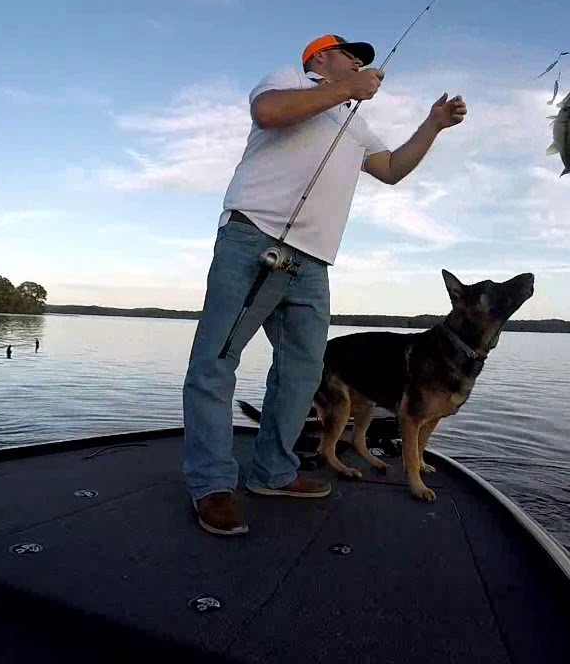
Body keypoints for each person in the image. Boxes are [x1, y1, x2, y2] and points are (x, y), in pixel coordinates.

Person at [181, 33, 468, 536]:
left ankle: (273, 471)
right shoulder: (289, 81)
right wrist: (349, 89)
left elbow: (392, 169)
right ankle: (211, 485)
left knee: (303, 371)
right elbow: (269, 113)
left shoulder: (355, 123)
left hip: (313, 264)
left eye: (361, 60)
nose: (357, 62)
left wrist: (433, 125)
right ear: (318, 58)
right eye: (348, 54)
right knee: (216, 361)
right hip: (253, 237)